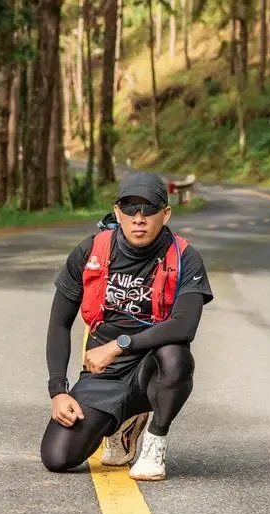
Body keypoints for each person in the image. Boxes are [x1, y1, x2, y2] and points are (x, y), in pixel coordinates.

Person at [40, 171, 214, 481]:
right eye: (130, 208)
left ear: (166, 213)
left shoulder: (185, 257)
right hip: (104, 374)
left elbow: (185, 326)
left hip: (151, 365)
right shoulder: (90, 251)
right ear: (117, 212)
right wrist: (58, 391)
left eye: (149, 209)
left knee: (176, 356)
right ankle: (124, 423)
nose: (139, 218)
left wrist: (119, 344)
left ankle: (155, 440)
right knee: (57, 457)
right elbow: (59, 323)